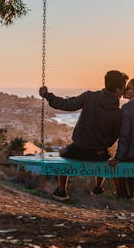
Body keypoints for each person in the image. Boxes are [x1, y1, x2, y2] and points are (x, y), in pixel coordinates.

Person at [39, 70, 128, 201]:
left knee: (63, 154)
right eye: (123, 88)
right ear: (118, 89)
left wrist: (47, 95)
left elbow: (67, 104)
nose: (124, 92)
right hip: (99, 154)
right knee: (107, 154)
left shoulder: (89, 96)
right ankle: (98, 187)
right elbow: (115, 136)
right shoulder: (119, 113)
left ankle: (62, 190)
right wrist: (103, 145)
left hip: (77, 150)